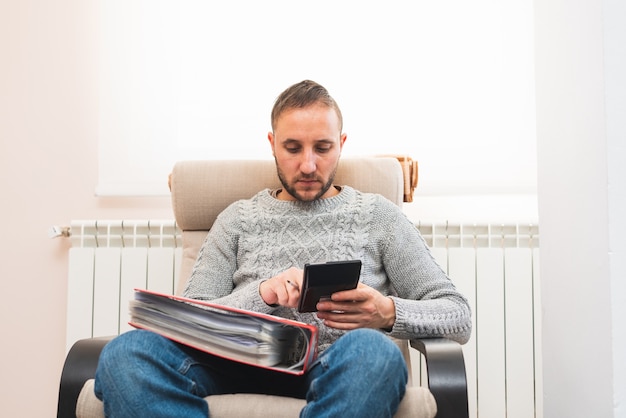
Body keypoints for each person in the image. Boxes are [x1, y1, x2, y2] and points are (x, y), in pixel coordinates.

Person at [95, 80, 472, 417]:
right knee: (126, 355)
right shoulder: (237, 219)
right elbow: (194, 320)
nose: (308, 165)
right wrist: (261, 295)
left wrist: (386, 311)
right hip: (233, 367)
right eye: (292, 148)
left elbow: (457, 315)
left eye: (322, 148)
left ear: (341, 145)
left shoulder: (378, 217)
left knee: (375, 353)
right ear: (272, 144)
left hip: (334, 370)